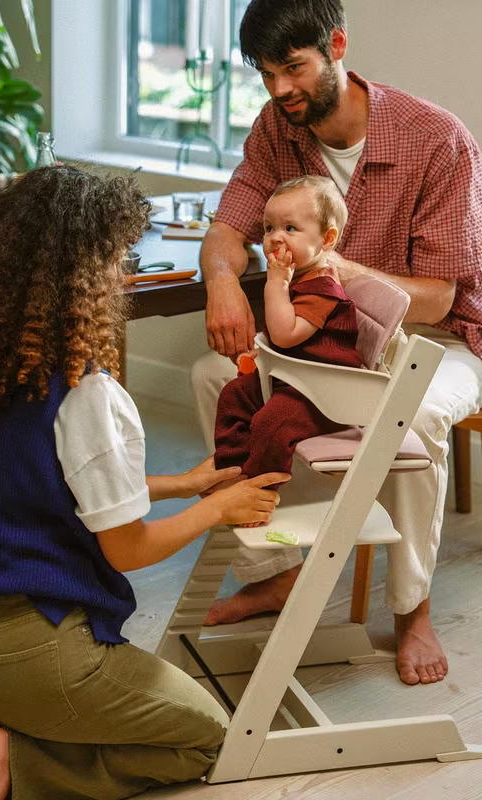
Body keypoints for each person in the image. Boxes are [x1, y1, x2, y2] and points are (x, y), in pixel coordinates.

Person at [0, 165, 288, 800]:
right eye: (119, 257)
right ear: (86, 271)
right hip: (33, 654)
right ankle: (17, 760)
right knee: (211, 738)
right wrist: (219, 508)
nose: (125, 273)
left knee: (75, 695)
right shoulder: (89, 393)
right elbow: (128, 549)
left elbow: (51, 484)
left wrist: (179, 484)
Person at [192, 0, 482, 686]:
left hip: (438, 338)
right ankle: (278, 571)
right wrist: (223, 283)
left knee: (417, 411)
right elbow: (227, 229)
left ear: (338, 46)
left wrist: (337, 268)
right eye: (266, 74)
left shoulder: (436, 139)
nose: (280, 90)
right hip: (333, 340)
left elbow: (439, 296)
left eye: (292, 68)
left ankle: (411, 607)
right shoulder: (275, 129)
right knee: (214, 374)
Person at [214, 175, 362, 494]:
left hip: (326, 395)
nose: (275, 238)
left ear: (327, 240)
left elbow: (285, 333)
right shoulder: (301, 276)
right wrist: (263, 353)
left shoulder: (323, 289)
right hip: (297, 379)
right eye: (269, 228)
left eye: (290, 228)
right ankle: (231, 471)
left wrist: (276, 283)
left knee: (274, 422)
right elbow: (282, 339)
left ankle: (258, 492)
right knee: (234, 394)